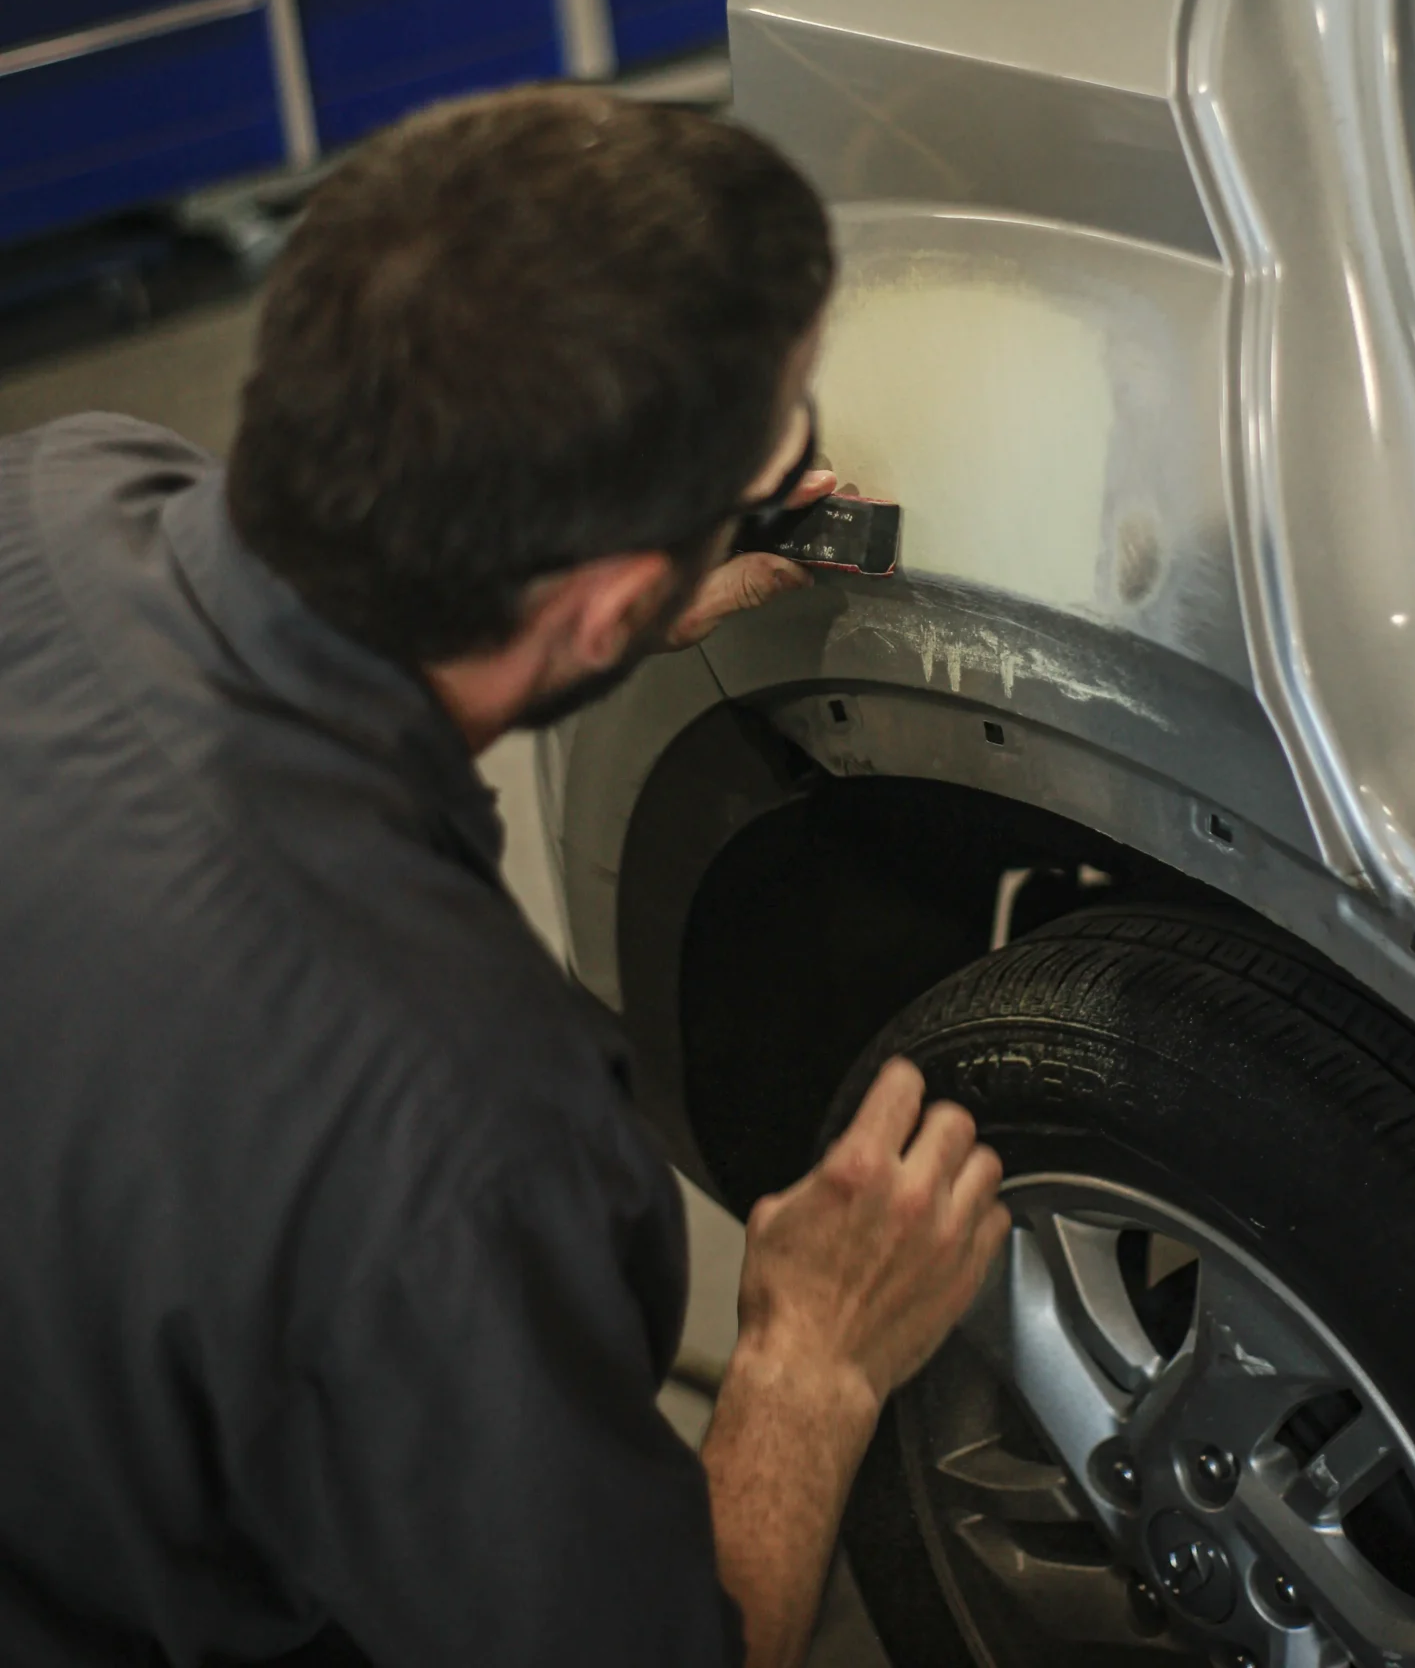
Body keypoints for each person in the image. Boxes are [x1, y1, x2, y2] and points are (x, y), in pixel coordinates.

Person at [0, 86, 1010, 1668]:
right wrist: (806, 1362)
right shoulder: (460, 1142)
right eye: (777, 453)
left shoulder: (59, 487)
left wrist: (608, 596)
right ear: (597, 605)